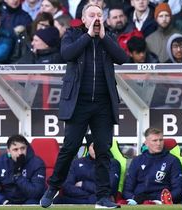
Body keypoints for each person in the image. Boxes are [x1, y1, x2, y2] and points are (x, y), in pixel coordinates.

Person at [39, 3, 128, 209]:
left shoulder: (108, 38)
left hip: (103, 103)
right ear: (84, 19)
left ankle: (103, 197)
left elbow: (122, 58)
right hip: (78, 102)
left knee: (104, 150)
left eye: (99, 14)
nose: (96, 18)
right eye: (92, 15)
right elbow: (67, 54)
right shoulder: (73, 33)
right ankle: (52, 188)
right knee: (70, 147)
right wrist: (88, 35)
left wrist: (104, 37)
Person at [122, 128, 182, 205]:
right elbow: (127, 190)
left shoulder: (173, 161)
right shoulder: (137, 160)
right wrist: (134, 198)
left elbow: (178, 190)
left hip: (162, 202)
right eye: (155, 140)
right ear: (146, 143)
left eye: (161, 140)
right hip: (138, 202)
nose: (158, 143)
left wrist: (159, 199)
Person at [0, 134, 46, 204]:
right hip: (7, 200)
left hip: (29, 199)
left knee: (32, 204)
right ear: (8, 151)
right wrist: (3, 201)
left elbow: (36, 193)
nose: (20, 153)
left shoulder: (37, 163)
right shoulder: (0, 162)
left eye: (23, 148)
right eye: (15, 149)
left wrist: (18, 176)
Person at [55, 142, 121, 204]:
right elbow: (67, 187)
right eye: (93, 147)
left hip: (97, 201)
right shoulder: (76, 163)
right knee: (57, 200)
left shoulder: (113, 164)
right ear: (88, 148)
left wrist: (84, 184)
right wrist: (91, 196)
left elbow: (110, 189)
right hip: (84, 199)